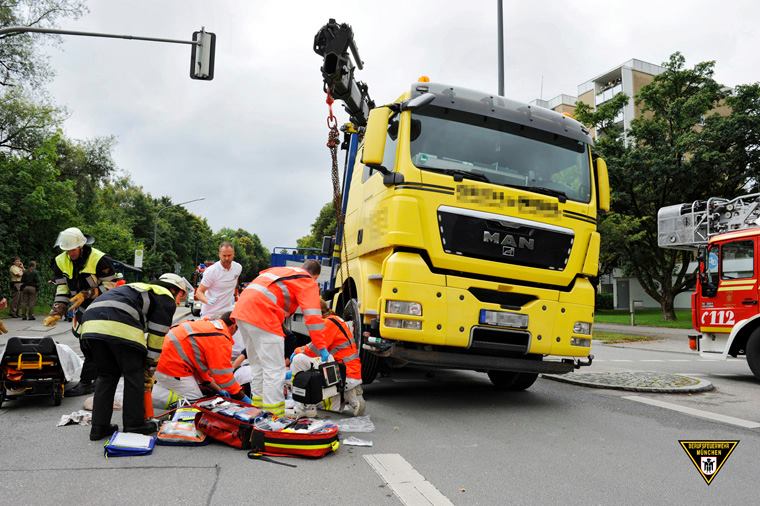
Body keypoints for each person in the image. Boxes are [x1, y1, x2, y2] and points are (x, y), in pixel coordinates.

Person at [79, 273, 186, 440]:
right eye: (181, 295)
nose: (179, 301)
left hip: (89, 326)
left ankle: (99, 428)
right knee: (134, 375)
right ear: (173, 289)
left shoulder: (135, 288)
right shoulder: (164, 296)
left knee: (106, 376)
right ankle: (135, 425)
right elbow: (157, 337)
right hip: (119, 325)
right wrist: (149, 367)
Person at [232, 259, 329, 416]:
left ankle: (258, 412)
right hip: (263, 315)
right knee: (274, 371)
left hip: (242, 313)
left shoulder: (282, 271)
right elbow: (313, 317)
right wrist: (321, 346)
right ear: (315, 277)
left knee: (258, 367)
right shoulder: (306, 280)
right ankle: (273, 417)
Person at [47, 227, 116, 396]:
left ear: (82, 246)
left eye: (73, 249)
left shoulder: (100, 259)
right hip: (82, 308)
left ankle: (87, 382)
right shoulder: (60, 261)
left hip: (102, 305)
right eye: (67, 250)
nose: (70, 253)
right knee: (86, 342)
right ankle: (97, 378)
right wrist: (58, 310)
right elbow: (62, 287)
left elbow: (111, 286)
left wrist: (86, 293)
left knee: (91, 343)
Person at [152, 312, 253, 408]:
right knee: (194, 402)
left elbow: (199, 368)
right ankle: (144, 398)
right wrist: (242, 397)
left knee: (185, 392)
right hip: (172, 366)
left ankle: (146, 394)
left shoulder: (209, 327)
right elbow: (224, 378)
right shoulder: (221, 338)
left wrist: (217, 389)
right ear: (233, 326)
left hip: (165, 361)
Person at [290, 300, 365, 417]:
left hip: (343, 373)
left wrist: (297, 351)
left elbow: (313, 350)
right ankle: (349, 396)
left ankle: (302, 406)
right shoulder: (336, 319)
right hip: (350, 371)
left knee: (298, 360)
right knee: (321, 359)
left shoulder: (327, 323)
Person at [194, 242, 242, 319]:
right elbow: (199, 292)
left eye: (229, 255)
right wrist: (207, 300)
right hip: (210, 314)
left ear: (234, 254)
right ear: (219, 254)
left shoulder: (238, 268)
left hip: (227, 312)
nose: (227, 258)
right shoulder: (211, 271)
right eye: (224, 255)